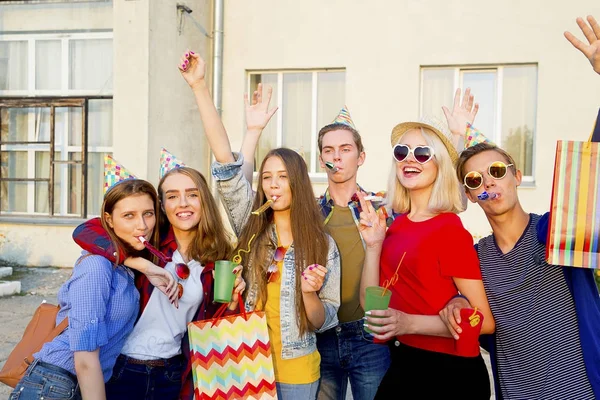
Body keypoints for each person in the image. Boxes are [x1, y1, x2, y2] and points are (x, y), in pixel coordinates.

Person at [180, 50, 341, 399]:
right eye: (267, 177)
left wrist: (309, 292)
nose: (272, 184)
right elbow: (226, 164)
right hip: (245, 362)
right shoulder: (251, 228)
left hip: (297, 372)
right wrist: (199, 87)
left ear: (297, 182)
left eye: (282, 177)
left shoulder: (322, 245)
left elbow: (324, 320)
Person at [72, 153, 245, 400]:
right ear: (162, 206)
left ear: (204, 201)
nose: (183, 203)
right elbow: (85, 231)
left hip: (172, 374)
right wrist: (137, 262)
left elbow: (213, 326)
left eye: (192, 194)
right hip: (122, 368)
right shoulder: (143, 242)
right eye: (172, 196)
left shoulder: (216, 258)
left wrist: (231, 304)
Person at [444, 139, 600, 399]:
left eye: (496, 171)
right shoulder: (474, 259)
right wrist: (458, 302)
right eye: (475, 180)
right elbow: (473, 311)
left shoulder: (552, 232)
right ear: (470, 195)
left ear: (516, 176)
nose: (489, 183)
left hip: (579, 392)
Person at [358, 118, 495, 399]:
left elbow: (484, 321)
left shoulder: (449, 229)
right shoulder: (396, 226)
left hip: (450, 374)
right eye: (402, 152)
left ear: (439, 166)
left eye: (422, 153)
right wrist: (373, 246)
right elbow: (369, 306)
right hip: (404, 362)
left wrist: (408, 324)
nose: (410, 159)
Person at [10, 165, 171, 400]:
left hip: (77, 384)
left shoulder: (123, 265)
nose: (142, 225)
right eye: (129, 215)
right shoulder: (96, 266)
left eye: (148, 213)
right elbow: (85, 358)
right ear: (109, 220)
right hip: (55, 384)